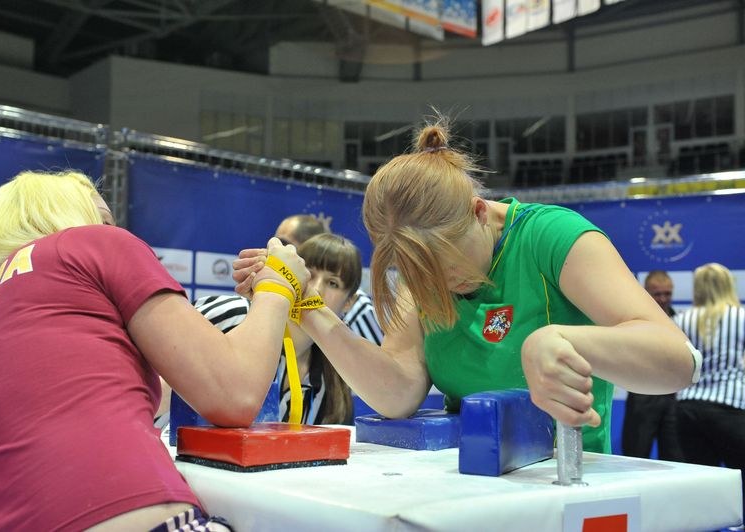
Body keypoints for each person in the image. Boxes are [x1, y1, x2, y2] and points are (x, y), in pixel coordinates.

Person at [233, 117, 699, 453]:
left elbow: (675, 362)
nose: (436, 284)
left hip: (567, 485)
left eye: (445, 263)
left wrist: (559, 339)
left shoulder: (554, 237)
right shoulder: (421, 271)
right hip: (466, 488)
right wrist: (306, 305)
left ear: (479, 212)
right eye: (418, 272)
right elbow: (398, 393)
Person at [0, 170, 308, 530]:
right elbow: (235, 392)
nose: (114, 230)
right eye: (102, 219)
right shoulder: (90, 245)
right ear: (68, 220)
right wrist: (277, 285)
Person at [196, 233, 361, 424]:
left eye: (333, 283)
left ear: (349, 302)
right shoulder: (234, 314)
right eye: (309, 274)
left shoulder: (337, 380)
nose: (316, 288)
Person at [673, 263, 745, 512]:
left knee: (704, 479)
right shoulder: (741, 316)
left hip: (688, 407)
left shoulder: (681, 319)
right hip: (731, 406)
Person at [275, 213, 383, 346]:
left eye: (285, 245)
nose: (277, 252)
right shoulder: (251, 308)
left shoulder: (362, 313)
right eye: (310, 274)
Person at [622, 270, 683, 460]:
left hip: (673, 399)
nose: (663, 299)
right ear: (646, 293)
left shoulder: (680, 321)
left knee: (676, 460)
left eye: (668, 294)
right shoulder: (632, 322)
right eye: (658, 294)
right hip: (642, 397)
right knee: (636, 457)